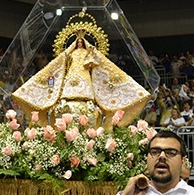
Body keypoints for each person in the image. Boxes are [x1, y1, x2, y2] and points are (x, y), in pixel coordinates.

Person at [13, 35, 150, 128]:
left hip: (84, 78)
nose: (79, 44)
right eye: (77, 42)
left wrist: (91, 57)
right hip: (71, 77)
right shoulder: (70, 53)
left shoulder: (88, 53)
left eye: (81, 42)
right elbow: (62, 64)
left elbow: (96, 63)